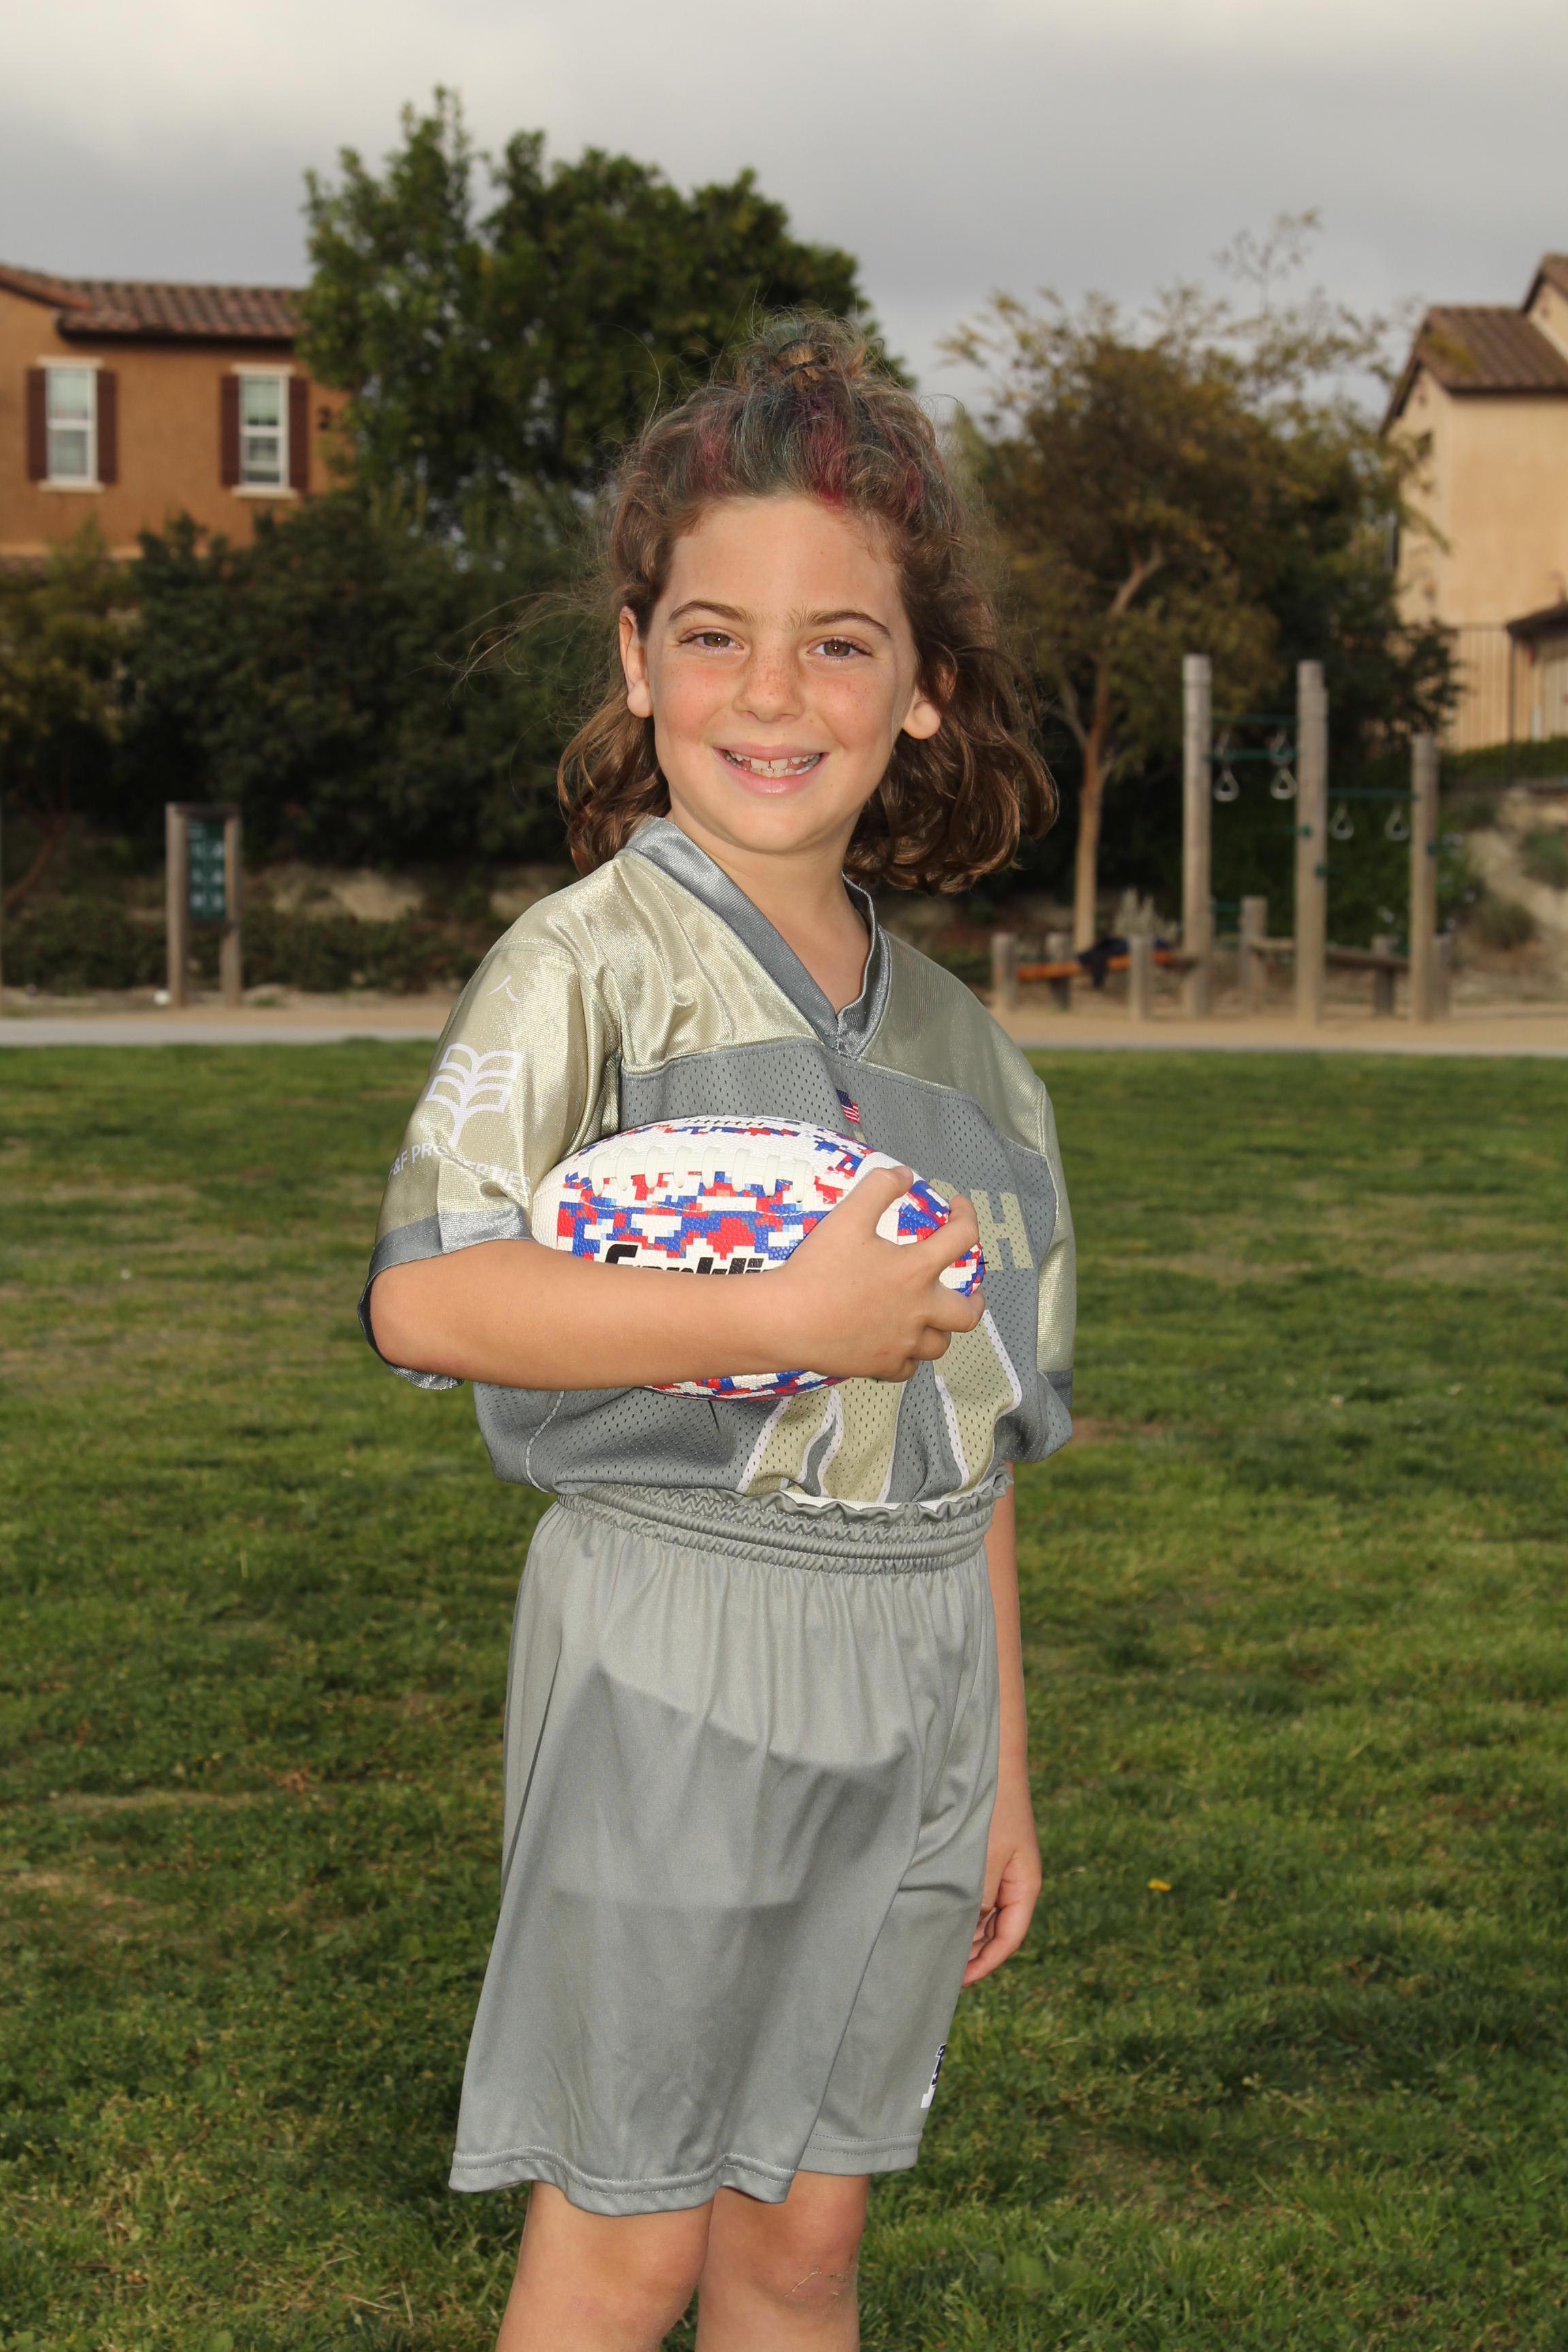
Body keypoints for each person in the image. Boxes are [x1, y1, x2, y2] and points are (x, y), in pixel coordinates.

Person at [363, 315, 1075, 2352]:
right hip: (682, 1634)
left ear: (926, 689)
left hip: (921, 1668)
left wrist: (1003, 1764)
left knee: (801, 2247)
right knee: (633, 2246)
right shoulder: (585, 966)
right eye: (713, 635)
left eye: (839, 642)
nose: (772, 692)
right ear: (635, 662)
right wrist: (779, 1312)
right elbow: (428, 1295)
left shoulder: (975, 1060)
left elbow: (974, 1434)